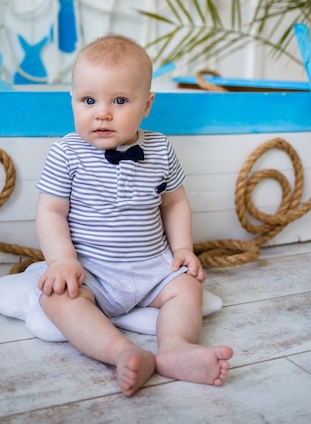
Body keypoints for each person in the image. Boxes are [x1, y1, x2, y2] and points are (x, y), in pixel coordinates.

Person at [35, 34, 233, 396]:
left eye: (120, 100)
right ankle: (121, 351)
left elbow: (174, 202)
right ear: (73, 101)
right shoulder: (66, 152)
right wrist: (62, 261)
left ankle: (175, 347)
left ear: (147, 105)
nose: (102, 112)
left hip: (152, 267)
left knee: (188, 286)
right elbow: (50, 210)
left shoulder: (159, 148)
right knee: (57, 299)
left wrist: (183, 250)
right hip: (92, 271)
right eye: (89, 100)